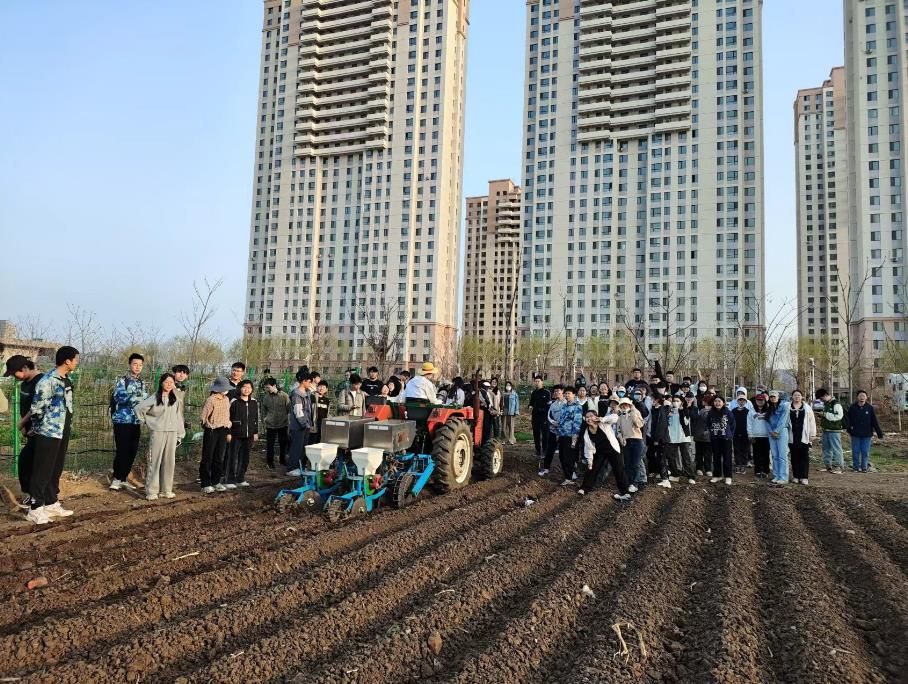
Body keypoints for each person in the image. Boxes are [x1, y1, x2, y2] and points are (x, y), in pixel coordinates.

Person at [25, 346, 79, 525]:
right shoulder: (47, 381)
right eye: (75, 359)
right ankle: (35, 508)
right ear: (67, 361)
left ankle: (51, 502)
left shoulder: (66, 380)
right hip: (48, 431)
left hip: (62, 430)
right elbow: (36, 409)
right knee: (42, 470)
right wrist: (38, 428)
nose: (77, 362)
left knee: (55, 469)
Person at [135, 373, 185, 501]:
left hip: (172, 432)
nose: (169, 384)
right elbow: (139, 408)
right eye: (166, 382)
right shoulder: (155, 397)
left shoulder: (176, 399)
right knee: (155, 461)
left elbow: (179, 417)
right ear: (161, 383)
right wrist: (148, 422)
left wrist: (180, 434)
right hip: (158, 432)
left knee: (169, 462)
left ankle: (166, 490)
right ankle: (152, 491)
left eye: (171, 382)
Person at [4, 355, 43, 509]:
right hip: (29, 430)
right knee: (25, 462)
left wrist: (22, 423)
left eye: (15, 373)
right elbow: (24, 406)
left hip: (40, 430)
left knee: (35, 464)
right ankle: (31, 495)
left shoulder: (41, 382)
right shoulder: (24, 384)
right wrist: (24, 426)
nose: (14, 377)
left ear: (25, 368)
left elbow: (37, 407)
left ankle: (39, 498)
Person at [109, 353, 148, 492]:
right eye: (135, 364)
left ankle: (124, 478)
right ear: (130, 364)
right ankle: (116, 478)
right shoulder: (122, 381)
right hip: (122, 420)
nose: (137, 367)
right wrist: (138, 398)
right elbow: (120, 397)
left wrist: (140, 399)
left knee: (132, 450)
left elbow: (145, 399)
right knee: (122, 450)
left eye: (140, 365)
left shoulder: (142, 383)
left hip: (136, 421)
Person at [577, 410, 632, 499]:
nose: (589, 418)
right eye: (587, 417)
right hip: (600, 451)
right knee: (592, 468)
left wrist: (602, 419)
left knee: (619, 469)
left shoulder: (604, 423)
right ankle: (585, 488)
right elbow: (589, 448)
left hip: (613, 449)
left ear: (596, 416)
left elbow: (615, 417)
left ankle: (625, 492)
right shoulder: (587, 432)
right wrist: (590, 461)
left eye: (591, 416)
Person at [199, 377, 232, 494]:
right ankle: (205, 483)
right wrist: (208, 426)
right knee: (208, 457)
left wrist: (227, 428)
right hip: (212, 431)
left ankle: (216, 481)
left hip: (223, 430)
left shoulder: (226, 399)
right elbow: (203, 417)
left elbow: (227, 415)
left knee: (219, 457)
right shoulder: (211, 400)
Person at [226, 379, 258, 488]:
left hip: (249, 435)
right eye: (244, 387)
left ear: (252, 389)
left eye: (249, 387)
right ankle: (230, 480)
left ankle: (240, 478)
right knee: (232, 457)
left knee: (245, 458)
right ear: (240, 388)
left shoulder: (254, 402)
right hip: (236, 434)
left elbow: (255, 418)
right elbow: (228, 418)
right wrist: (228, 432)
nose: (247, 389)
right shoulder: (234, 401)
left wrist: (255, 432)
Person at [845, 390, 884, 473]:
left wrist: (879, 433)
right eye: (860, 396)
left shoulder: (870, 408)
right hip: (855, 434)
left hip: (867, 434)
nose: (862, 398)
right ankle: (855, 467)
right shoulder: (852, 407)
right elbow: (848, 420)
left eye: (863, 396)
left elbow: (874, 421)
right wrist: (849, 429)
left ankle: (864, 467)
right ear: (857, 397)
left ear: (866, 398)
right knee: (855, 451)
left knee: (865, 452)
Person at [287, 371, 314, 477]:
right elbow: (298, 411)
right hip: (298, 426)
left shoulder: (307, 393)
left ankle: (301, 467)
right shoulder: (296, 394)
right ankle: (292, 468)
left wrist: (308, 424)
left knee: (303, 448)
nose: (310, 384)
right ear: (303, 381)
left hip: (306, 425)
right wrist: (304, 423)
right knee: (296, 447)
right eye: (309, 382)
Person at [556, 386, 583, 486]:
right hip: (562, 434)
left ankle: (569, 477)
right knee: (561, 456)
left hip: (571, 435)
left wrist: (574, 437)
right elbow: (561, 421)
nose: (567, 395)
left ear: (574, 395)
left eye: (569, 394)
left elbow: (577, 422)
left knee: (568, 457)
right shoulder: (563, 406)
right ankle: (570, 474)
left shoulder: (577, 407)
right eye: (566, 394)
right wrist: (558, 433)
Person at [788, 390, 817, 485]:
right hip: (792, 435)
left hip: (804, 436)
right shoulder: (788, 407)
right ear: (792, 397)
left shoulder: (807, 408)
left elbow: (812, 422)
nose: (797, 397)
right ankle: (796, 476)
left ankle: (804, 477)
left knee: (804, 457)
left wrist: (812, 434)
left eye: (799, 395)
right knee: (794, 457)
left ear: (802, 397)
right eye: (795, 395)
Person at [617, 397, 646, 489]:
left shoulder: (635, 412)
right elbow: (618, 430)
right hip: (626, 441)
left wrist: (632, 412)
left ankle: (636, 482)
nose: (624, 406)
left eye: (626, 404)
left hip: (637, 440)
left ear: (629, 404)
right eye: (622, 405)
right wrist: (621, 438)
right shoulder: (620, 416)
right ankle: (630, 482)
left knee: (636, 463)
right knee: (628, 463)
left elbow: (639, 424)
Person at [261, 378, 290, 469]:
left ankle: (282, 459)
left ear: (274, 386)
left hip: (283, 423)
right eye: (265, 388)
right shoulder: (266, 398)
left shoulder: (284, 396)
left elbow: (289, 409)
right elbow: (263, 411)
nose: (266, 389)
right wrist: (265, 420)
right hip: (270, 424)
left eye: (268, 387)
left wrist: (287, 421)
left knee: (283, 443)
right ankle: (270, 461)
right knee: (270, 444)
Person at [707, 395, 736, 486]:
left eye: (719, 401)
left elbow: (733, 425)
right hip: (715, 438)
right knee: (716, 457)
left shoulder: (728, 412)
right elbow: (708, 423)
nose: (717, 403)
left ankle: (728, 476)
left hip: (726, 438)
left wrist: (730, 435)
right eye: (716, 401)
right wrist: (712, 432)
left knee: (727, 458)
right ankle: (717, 475)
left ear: (723, 403)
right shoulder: (711, 412)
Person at [816, 388, 845, 474]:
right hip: (826, 429)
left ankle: (839, 466)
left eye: (821, 398)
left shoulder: (836, 404)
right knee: (826, 448)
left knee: (836, 448)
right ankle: (827, 465)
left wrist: (825, 414)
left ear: (825, 395)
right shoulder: (826, 404)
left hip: (834, 430)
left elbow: (839, 416)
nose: (821, 400)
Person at [766, 390, 791, 485]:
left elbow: (783, 420)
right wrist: (771, 431)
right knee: (774, 455)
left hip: (781, 431)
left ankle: (783, 477)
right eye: (771, 397)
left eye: (774, 397)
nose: (773, 398)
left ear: (778, 397)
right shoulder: (768, 408)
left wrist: (776, 431)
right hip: (771, 433)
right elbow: (766, 421)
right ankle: (776, 475)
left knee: (782, 455)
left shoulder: (784, 406)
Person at [748, 393, 771, 478]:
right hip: (755, 435)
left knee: (765, 454)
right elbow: (749, 423)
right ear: (755, 401)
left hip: (766, 436)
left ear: (765, 401)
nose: (760, 401)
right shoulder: (751, 411)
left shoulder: (768, 410)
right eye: (758, 400)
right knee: (756, 454)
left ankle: (765, 470)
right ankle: (757, 470)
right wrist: (750, 434)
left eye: (762, 400)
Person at [528, 377, 551, 460]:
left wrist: (541, 410)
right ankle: (537, 451)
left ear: (542, 382)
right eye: (536, 381)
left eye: (538, 381)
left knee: (545, 435)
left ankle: (545, 451)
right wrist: (530, 406)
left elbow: (549, 405)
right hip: (535, 417)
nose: (537, 382)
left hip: (544, 417)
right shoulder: (534, 392)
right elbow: (531, 402)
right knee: (536, 434)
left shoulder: (547, 392)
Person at [731, 394, 751, 475]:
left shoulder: (748, 411)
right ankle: (738, 464)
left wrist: (750, 433)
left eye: (743, 400)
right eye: (740, 400)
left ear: (745, 402)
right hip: (735, 433)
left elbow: (750, 423)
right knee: (736, 449)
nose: (741, 402)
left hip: (745, 434)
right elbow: (731, 422)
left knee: (745, 450)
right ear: (737, 401)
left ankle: (743, 465)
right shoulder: (733, 411)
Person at [501, 380, 519, 446]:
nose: (508, 386)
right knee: (504, 426)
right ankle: (504, 439)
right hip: (504, 411)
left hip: (512, 411)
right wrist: (501, 410)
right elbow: (501, 402)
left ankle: (511, 440)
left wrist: (516, 411)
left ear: (511, 386)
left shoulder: (514, 394)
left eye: (509, 385)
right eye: (507, 385)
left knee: (511, 426)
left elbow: (517, 403)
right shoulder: (503, 393)